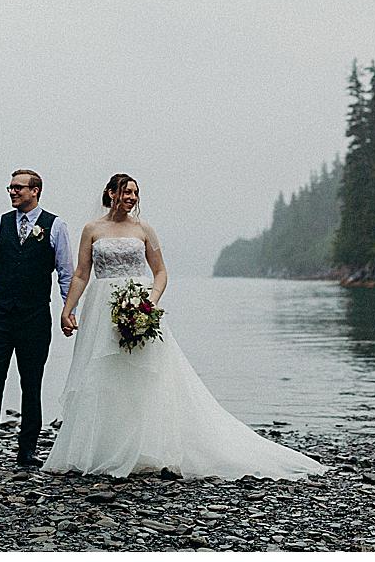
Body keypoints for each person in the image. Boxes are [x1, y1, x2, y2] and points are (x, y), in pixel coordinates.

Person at [42, 174, 326, 480]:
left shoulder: (144, 229)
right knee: (102, 373)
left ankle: (145, 448)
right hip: (101, 308)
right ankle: (101, 448)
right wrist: (68, 309)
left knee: (144, 373)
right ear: (110, 193)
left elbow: (161, 271)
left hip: (139, 303)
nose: (132, 198)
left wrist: (148, 302)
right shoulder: (92, 229)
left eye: (136, 193)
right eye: (126, 192)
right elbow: (83, 273)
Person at [0, 169, 74, 469]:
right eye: (10, 187)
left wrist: (69, 310)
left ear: (35, 191)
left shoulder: (55, 226)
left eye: (18, 188)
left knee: (31, 383)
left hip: (34, 316)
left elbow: (66, 273)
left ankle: (28, 449)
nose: (12, 192)